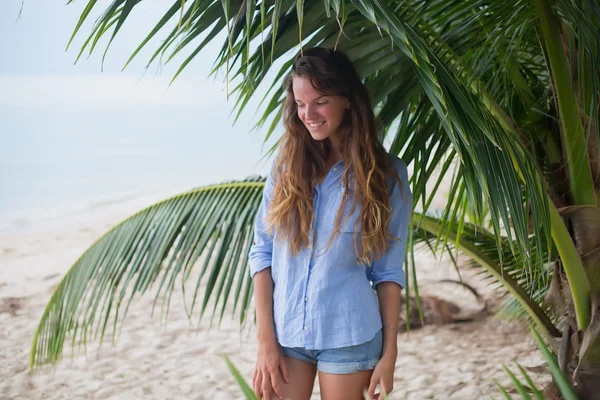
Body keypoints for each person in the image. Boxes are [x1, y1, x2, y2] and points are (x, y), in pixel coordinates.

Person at [248, 47, 413, 400]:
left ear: (348, 99)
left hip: (350, 335)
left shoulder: (387, 175)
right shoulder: (285, 166)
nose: (308, 114)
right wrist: (265, 341)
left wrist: (390, 354)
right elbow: (262, 252)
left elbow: (387, 272)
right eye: (300, 103)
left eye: (320, 102)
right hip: (286, 332)